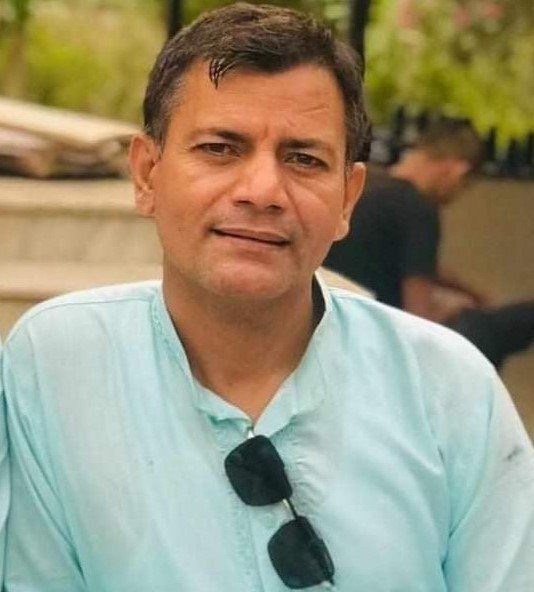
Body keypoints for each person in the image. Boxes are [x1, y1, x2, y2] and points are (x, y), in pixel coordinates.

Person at [1, 4, 533, 591]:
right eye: (220, 148)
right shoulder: (57, 368)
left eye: (304, 159)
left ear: (348, 199)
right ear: (147, 174)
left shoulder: (447, 390)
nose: (262, 191)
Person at [325, 120, 534, 368]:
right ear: (457, 171)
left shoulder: (362, 189)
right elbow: (418, 318)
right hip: (385, 345)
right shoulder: (417, 208)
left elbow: (400, 261)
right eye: (464, 186)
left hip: (339, 330)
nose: (455, 196)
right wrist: (452, 308)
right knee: (507, 322)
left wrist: (469, 291)